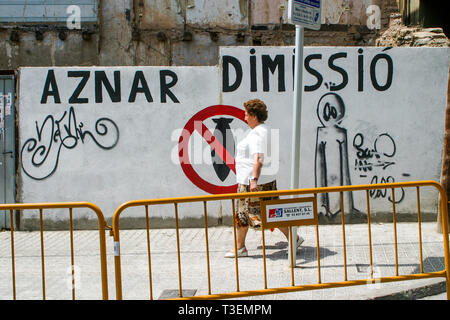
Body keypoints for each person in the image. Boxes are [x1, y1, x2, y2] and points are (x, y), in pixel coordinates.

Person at [225, 99, 304, 258]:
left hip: (251, 183)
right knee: (271, 213)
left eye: (246, 114)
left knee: (243, 215)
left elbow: (259, 158)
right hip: (264, 181)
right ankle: (293, 238)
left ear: (254, 115)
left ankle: (240, 248)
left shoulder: (257, 133)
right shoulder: (265, 130)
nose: (244, 117)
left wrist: (253, 179)